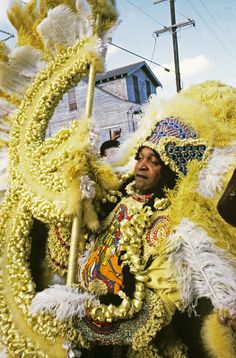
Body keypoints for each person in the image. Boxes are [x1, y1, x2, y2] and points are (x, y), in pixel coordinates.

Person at [74, 116, 236, 357]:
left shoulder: (174, 224)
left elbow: (160, 306)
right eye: (140, 157)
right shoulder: (118, 199)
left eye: (153, 161)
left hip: (129, 343)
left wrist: (81, 326)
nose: (141, 165)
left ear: (169, 168)